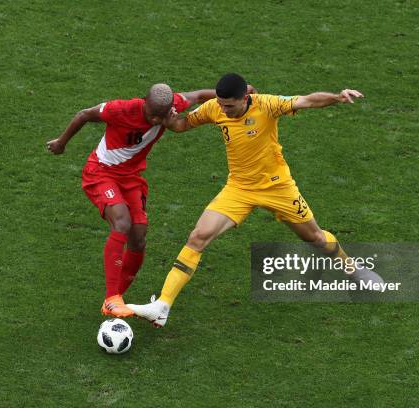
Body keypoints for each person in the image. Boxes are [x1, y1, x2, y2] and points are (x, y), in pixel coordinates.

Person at [127, 73, 384, 327]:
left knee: (315, 238)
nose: (223, 110)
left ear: (245, 98)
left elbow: (307, 100)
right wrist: (170, 120)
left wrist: (338, 97)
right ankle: (162, 306)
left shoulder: (267, 104)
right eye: (220, 103)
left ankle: (353, 269)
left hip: (278, 188)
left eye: (229, 105)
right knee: (198, 237)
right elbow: (183, 126)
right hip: (238, 189)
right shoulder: (215, 108)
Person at [46, 84, 218, 318]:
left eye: (161, 115)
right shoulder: (121, 109)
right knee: (122, 223)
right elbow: (84, 114)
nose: (156, 120)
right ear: (144, 102)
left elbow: (197, 96)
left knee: (138, 237)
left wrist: (236, 94)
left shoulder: (172, 107)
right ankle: (111, 299)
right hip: (101, 172)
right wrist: (61, 142)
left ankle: (117, 299)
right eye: (152, 114)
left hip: (130, 178)